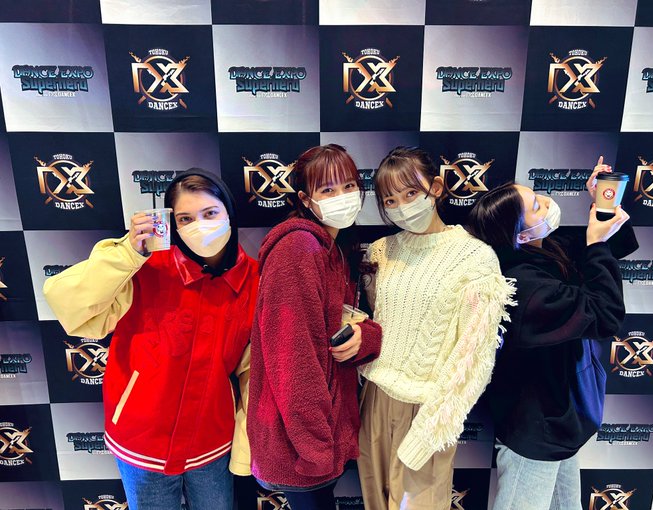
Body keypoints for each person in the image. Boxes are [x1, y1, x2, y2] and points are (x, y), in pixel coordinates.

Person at [43, 169, 257, 510]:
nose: (200, 225)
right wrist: (127, 252)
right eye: (186, 218)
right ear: (172, 223)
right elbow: (69, 304)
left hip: (212, 440)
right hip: (141, 441)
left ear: (229, 213)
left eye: (210, 213)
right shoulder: (144, 265)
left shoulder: (255, 279)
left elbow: (252, 367)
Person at [467, 158, 639, 510]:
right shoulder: (526, 288)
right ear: (520, 235)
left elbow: (609, 247)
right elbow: (605, 314)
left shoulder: (545, 248)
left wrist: (603, 203)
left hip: (562, 422)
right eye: (536, 206)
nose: (547, 202)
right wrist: (596, 245)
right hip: (535, 431)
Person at [357, 147, 516, 510]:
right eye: (390, 200)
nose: (402, 206)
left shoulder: (476, 258)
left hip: (428, 409)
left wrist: (429, 433)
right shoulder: (380, 251)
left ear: (437, 187)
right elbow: (378, 322)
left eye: (411, 193)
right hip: (375, 399)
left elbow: (473, 361)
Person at [247, 144, 382, 510]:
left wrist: (367, 338)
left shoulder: (333, 249)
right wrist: (317, 449)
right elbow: (292, 359)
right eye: (327, 189)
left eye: (349, 186)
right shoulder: (298, 249)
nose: (343, 197)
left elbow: (338, 326)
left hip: (321, 436)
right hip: (300, 446)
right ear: (306, 199)